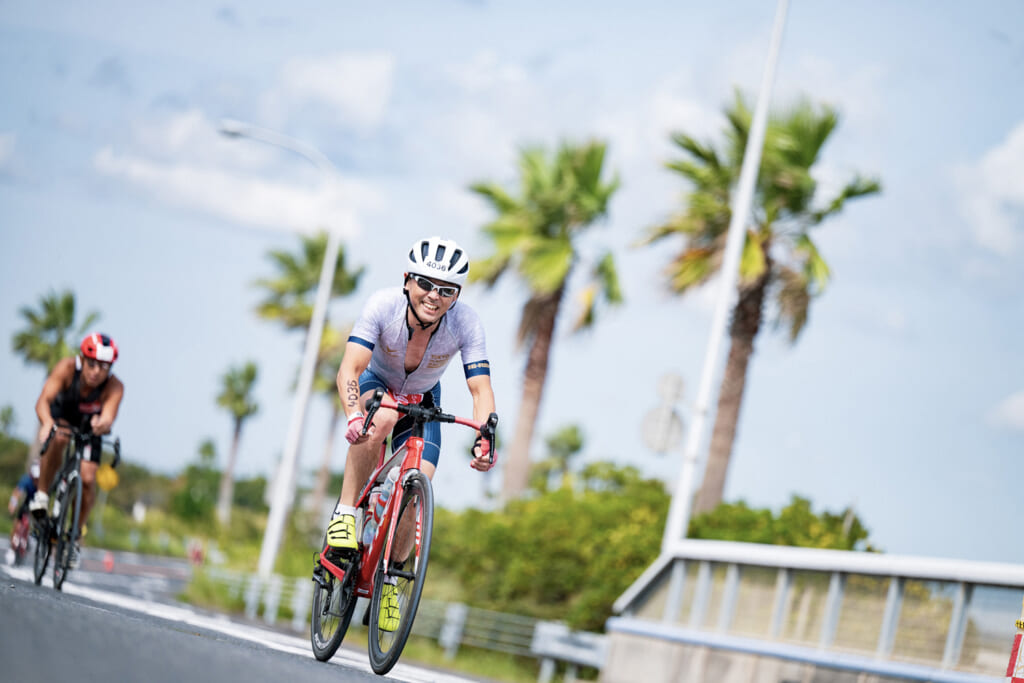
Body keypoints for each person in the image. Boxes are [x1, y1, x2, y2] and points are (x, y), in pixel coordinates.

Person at [326, 236, 497, 631]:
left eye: (446, 290)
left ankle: (390, 581)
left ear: (456, 296)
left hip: (423, 396)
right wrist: (355, 415)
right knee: (382, 417)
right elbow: (349, 369)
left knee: (417, 489)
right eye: (425, 284)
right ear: (407, 280)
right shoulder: (383, 305)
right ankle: (347, 513)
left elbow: (481, 389)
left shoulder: (466, 323)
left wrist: (485, 436)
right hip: (376, 382)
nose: (434, 296)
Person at [29, 333, 124, 567]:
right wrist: (47, 422)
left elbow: (109, 416)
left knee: (89, 478)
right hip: (62, 416)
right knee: (59, 438)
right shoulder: (67, 369)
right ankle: (41, 497)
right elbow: (42, 401)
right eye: (92, 364)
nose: (96, 372)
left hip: (89, 428)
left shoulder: (114, 386)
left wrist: (102, 423)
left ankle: (74, 535)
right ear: (82, 359)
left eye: (103, 367)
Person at [6, 461, 39, 564]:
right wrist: (13, 504)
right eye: (34, 479)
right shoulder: (26, 479)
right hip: (27, 502)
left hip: (38, 503)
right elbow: (17, 492)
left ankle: (32, 537)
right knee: (17, 523)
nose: (35, 481)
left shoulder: (43, 480)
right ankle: (12, 548)